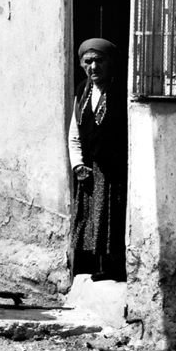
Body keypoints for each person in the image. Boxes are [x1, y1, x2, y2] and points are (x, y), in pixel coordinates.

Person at [68, 38, 127, 282]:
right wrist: (77, 165)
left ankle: (117, 269)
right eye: (88, 61)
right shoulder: (83, 90)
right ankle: (98, 266)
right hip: (89, 168)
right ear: (82, 64)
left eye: (99, 60)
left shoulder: (120, 91)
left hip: (113, 169)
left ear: (110, 63)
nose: (93, 67)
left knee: (112, 218)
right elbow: (75, 131)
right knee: (92, 218)